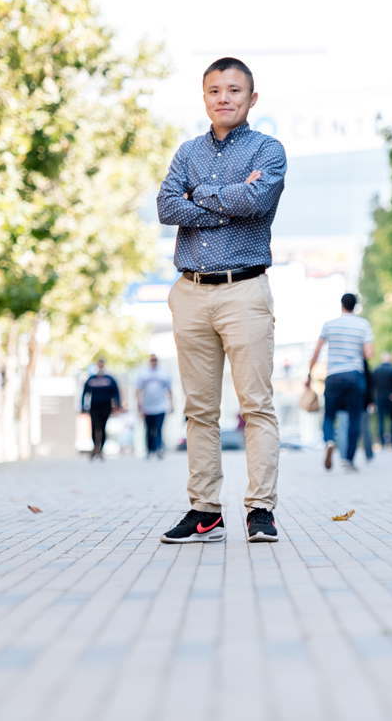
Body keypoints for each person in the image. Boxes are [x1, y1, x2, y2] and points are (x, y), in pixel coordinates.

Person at [156, 57, 286, 545]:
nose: (224, 97)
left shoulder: (268, 151)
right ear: (204, 98)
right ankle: (205, 511)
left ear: (252, 99)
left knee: (256, 405)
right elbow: (168, 206)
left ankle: (261, 510)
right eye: (214, 90)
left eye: (234, 90)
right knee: (199, 410)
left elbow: (256, 203)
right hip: (190, 292)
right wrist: (228, 196)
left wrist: (201, 195)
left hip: (245, 290)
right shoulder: (187, 152)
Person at [308, 293, 375, 472]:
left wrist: (309, 374)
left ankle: (329, 441)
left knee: (329, 415)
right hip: (355, 375)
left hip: (334, 376)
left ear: (341, 305)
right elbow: (369, 353)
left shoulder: (330, 325)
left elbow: (316, 351)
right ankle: (348, 460)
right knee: (354, 417)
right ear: (355, 306)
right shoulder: (363, 325)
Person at [81, 359, 122, 460]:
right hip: (94, 407)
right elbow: (85, 393)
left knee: (103, 427)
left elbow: (115, 392)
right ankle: (95, 447)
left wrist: (117, 405)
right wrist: (83, 405)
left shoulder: (109, 379)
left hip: (106, 407)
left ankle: (101, 448)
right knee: (95, 426)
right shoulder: (91, 379)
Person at [135, 354, 173, 459]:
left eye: (155, 360)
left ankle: (159, 448)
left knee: (159, 428)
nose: (154, 362)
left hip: (161, 406)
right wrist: (139, 404)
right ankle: (149, 449)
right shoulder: (143, 373)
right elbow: (138, 389)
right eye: (152, 360)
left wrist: (171, 404)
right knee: (148, 429)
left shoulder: (164, 373)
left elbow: (169, 390)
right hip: (147, 407)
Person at [371, 352, 392, 447]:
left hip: (379, 397)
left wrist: (373, 399)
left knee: (380, 420)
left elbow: (372, 386)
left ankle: (381, 441)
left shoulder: (376, 370)